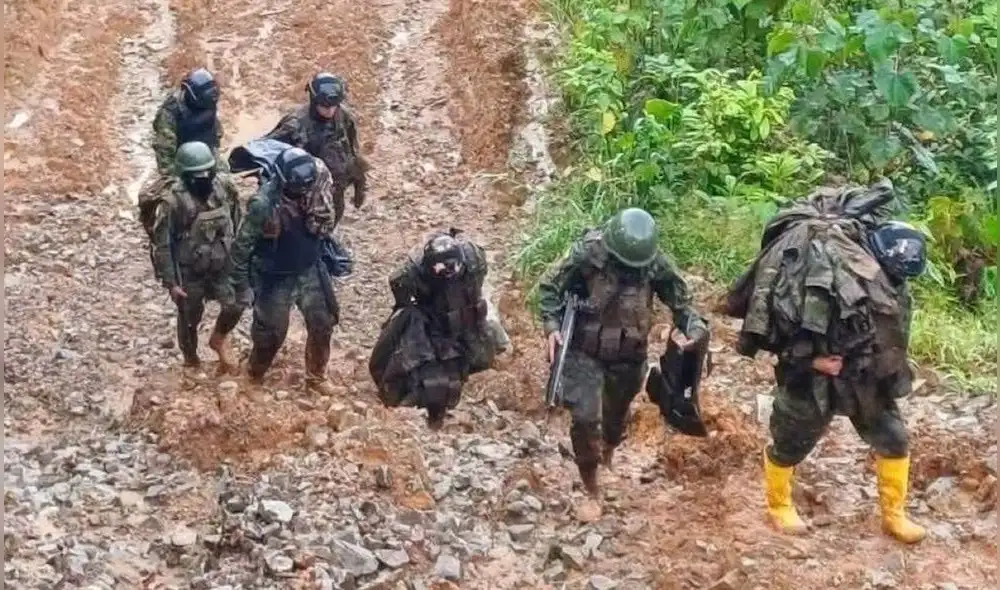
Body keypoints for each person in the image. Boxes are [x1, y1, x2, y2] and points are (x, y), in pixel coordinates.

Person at [761, 220, 929, 544]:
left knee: (894, 438)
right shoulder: (821, 279)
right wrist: (813, 361)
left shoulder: (896, 287)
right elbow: (775, 332)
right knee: (791, 441)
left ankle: (894, 515)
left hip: (866, 375)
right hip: (815, 375)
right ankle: (778, 505)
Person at [537, 208, 708, 495]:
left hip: (629, 355)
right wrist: (552, 327)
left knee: (615, 418)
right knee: (585, 417)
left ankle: (607, 452)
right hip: (584, 351)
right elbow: (549, 287)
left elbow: (681, 303)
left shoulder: (654, 263)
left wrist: (694, 328)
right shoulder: (588, 253)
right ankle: (590, 479)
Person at [229, 146, 340, 395]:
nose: (302, 193)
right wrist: (242, 286)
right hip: (275, 277)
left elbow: (326, 221)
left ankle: (316, 376)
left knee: (323, 322)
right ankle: (254, 373)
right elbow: (241, 248)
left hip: (309, 267)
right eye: (296, 189)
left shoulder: (316, 186)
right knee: (271, 333)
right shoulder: (262, 205)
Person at [370, 230, 503, 430]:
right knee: (433, 381)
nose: (448, 272)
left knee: (485, 360)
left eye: (453, 267)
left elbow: (479, 288)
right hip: (434, 327)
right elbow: (401, 295)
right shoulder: (412, 274)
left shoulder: (474, 258)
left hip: (470, 323)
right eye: (441, 269)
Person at [144, 141, 245, 370]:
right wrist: (171, 282)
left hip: (221, 263)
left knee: (236, 303)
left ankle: (219, 337)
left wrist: (241, 259)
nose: (203, 180)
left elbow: (237, 220)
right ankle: (191, 361)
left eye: (207, 174)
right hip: (190, 271)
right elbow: (163, 244)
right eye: (196, 176)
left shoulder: (223, 188)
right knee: (190, 318)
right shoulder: (172, 202)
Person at [264, 72, 369, 226]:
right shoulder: (295, 124)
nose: (331, 111)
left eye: (334, 106)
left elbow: (352, 151)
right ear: (314, 101)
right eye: (325, 106)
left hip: (335, 186)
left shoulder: (343, 116)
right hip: (306, 189)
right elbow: (269, 149)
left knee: (333, 218)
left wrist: (359, 187)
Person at [151, 67, 227, 175]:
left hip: (207, 155)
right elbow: (165, 158)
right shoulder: (170, 113)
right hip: (182, 164)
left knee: (224, 178)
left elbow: (215, 131)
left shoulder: (208, 100)